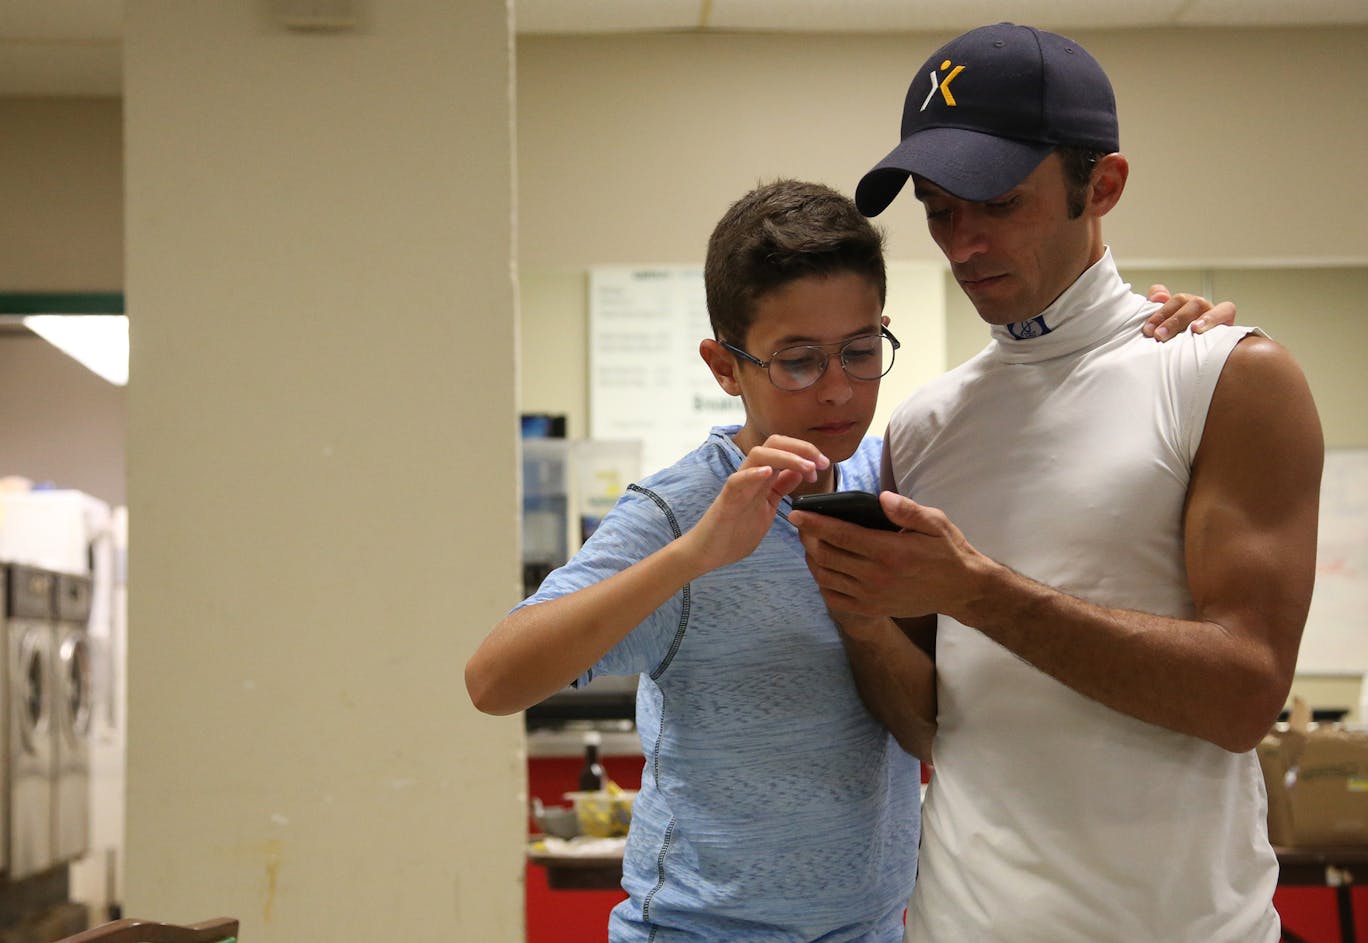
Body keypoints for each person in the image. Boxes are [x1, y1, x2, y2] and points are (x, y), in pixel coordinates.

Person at [465, 180, 1229, 941]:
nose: (837, 391)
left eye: (861, 352)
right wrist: (696, 553)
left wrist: (1155, 346)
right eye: (797, 361)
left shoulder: (888, 480)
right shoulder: (676, 512)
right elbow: (496, 679)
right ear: (724, 366)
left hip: (872, 929)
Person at [791, 23, 1324, 943]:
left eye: (997, 202)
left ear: (1102, 185)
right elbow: (932, 726)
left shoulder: (1226, 376)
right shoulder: (926, 424)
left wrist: (977, 591)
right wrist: (864, 612)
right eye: (938, 210)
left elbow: (1243, 696)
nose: (963, 243)